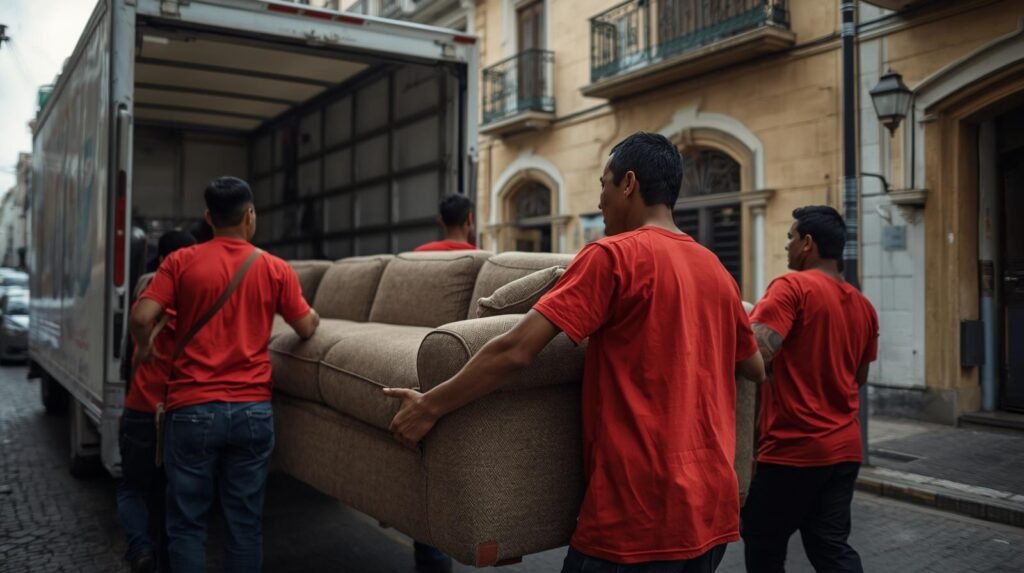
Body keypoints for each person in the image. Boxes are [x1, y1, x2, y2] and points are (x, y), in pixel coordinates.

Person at [385, 132, 765, 572]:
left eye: (603, 184)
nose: (600, 201)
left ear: (628, 183)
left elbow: (515, 351)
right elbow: (754, 366)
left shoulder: (611, 257)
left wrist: (430, 406)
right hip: (709, 510)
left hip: (636, 514)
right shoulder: (717, 272)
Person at [129, 176, 320, 572]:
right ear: (249, 217)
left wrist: (145, 349)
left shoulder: (180, 261)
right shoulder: (274, 268)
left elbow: (142, 316)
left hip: (192, 410)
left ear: (208, 218)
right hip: (252, 411)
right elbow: (305, 326)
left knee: (187, 526)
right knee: (244, 525)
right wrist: (314, 315)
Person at [742, 206, 879, 573]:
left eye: (790, 237)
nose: (787, 246)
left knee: (762, 540)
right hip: (845, 449)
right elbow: (859, 377)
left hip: (794, 448)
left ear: (808, 243)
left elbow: (754, 352)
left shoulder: (792, 287)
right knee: (829, 546)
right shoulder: (864, 306)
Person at [118, 230, 197, 573]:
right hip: (180, 410)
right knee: (170, 497)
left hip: (141, 409)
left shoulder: (146, 296)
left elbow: (128, 360)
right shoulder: (200, 302)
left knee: (132, 489)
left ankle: (140, 548)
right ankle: (164, 560)